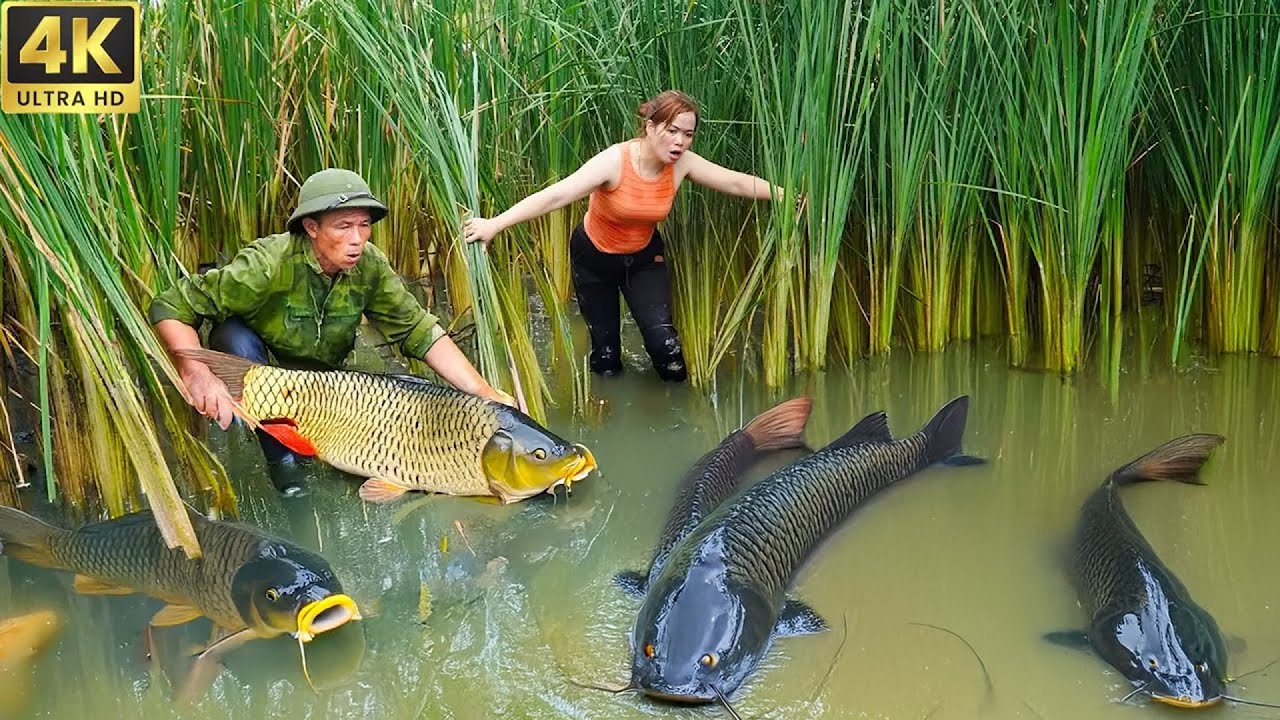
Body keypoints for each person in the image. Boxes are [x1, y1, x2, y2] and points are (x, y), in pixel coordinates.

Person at [149, 168, 514, 497]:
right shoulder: (266, 264)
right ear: (312, 227)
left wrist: (483, 392)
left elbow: (419, 330)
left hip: (324, 384)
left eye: (364, 225)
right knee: (234, 337)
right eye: (343, 226)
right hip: (262, 367)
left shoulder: (370, 265)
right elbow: (171, 306)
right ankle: (281, 460)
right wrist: (196, 372)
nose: (357, 239)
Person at [463, 90, 791, 383]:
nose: (680, 142)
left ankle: (675, 410)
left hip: (644, 260)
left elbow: (734, 182)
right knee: (606, 356)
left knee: (666, 348)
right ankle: (607, 409)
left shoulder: (682, 164)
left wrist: (784, 195)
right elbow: (556, 195)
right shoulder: (614, 162)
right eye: (672, 131)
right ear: (650, 127)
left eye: (688, 134)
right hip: (593, 259)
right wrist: (495, 224)